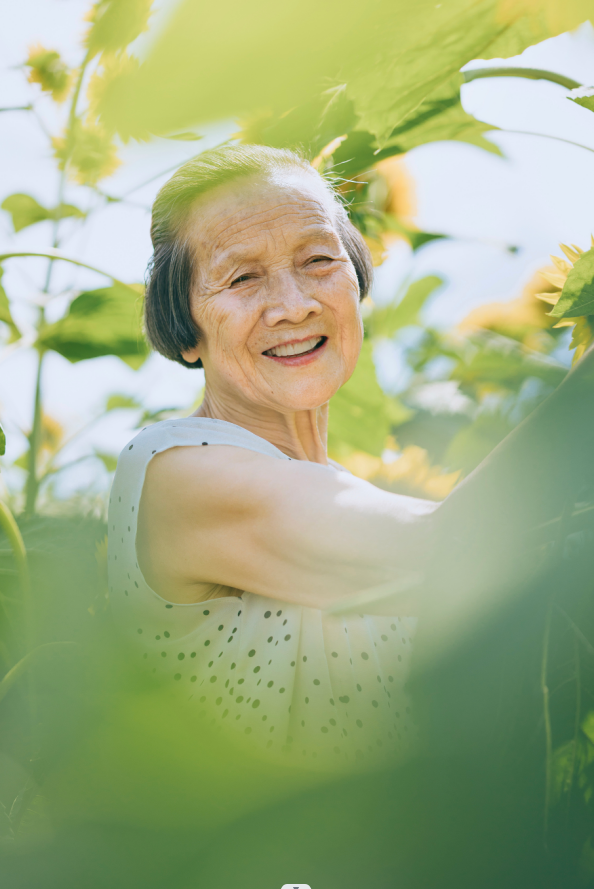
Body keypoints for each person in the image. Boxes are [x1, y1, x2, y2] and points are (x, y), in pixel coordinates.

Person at [107, 144, 594, 767]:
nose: (295, 304)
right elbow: (450, 548)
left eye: (317, 260)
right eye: (242, 277)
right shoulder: (174, 470)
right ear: (186, 328)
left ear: (356, 281)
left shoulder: (351, 503)